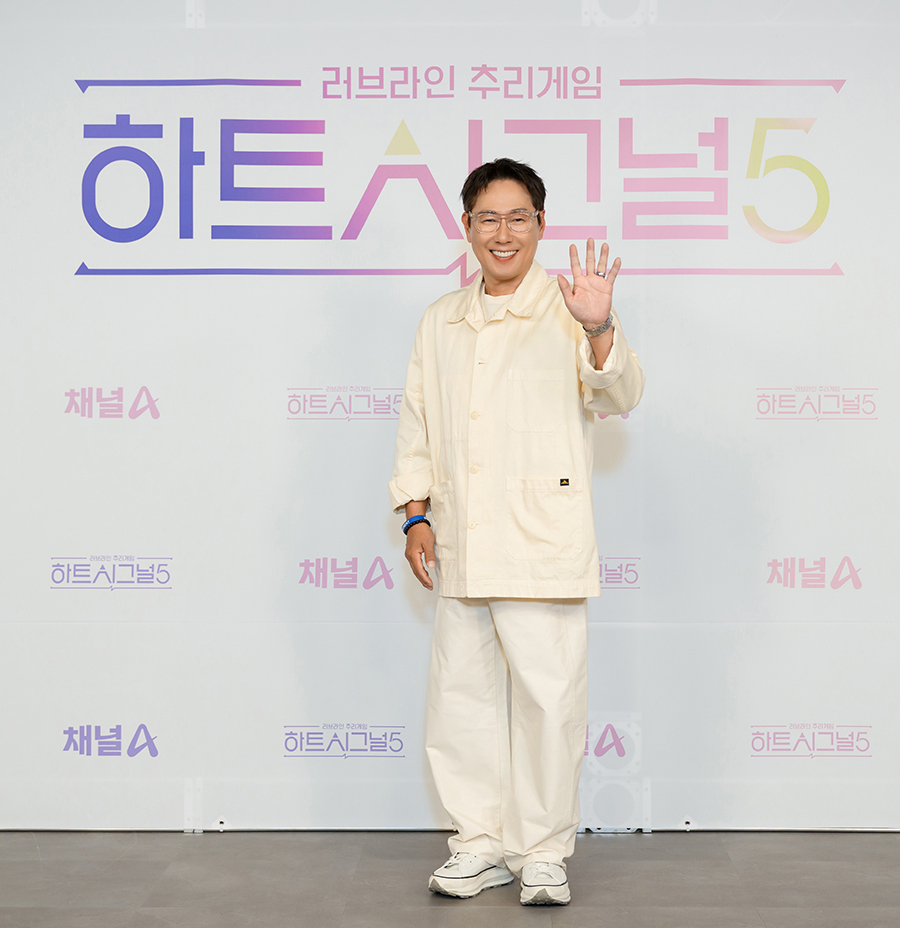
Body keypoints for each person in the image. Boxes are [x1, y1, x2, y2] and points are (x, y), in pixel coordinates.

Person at [388, 158, 644, 906]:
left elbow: (618, 393)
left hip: (541, 539)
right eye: (488, 218)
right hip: (462, 539)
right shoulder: (441, 319)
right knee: (460, 701)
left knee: (548, 702)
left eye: (518, 218)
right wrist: (415, 513)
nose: (503, 233)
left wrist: (599, 327)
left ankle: (541, 852)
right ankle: (478, 844)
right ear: (466, 226)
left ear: (540, 225)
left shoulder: (572, 309)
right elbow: (417, 425)